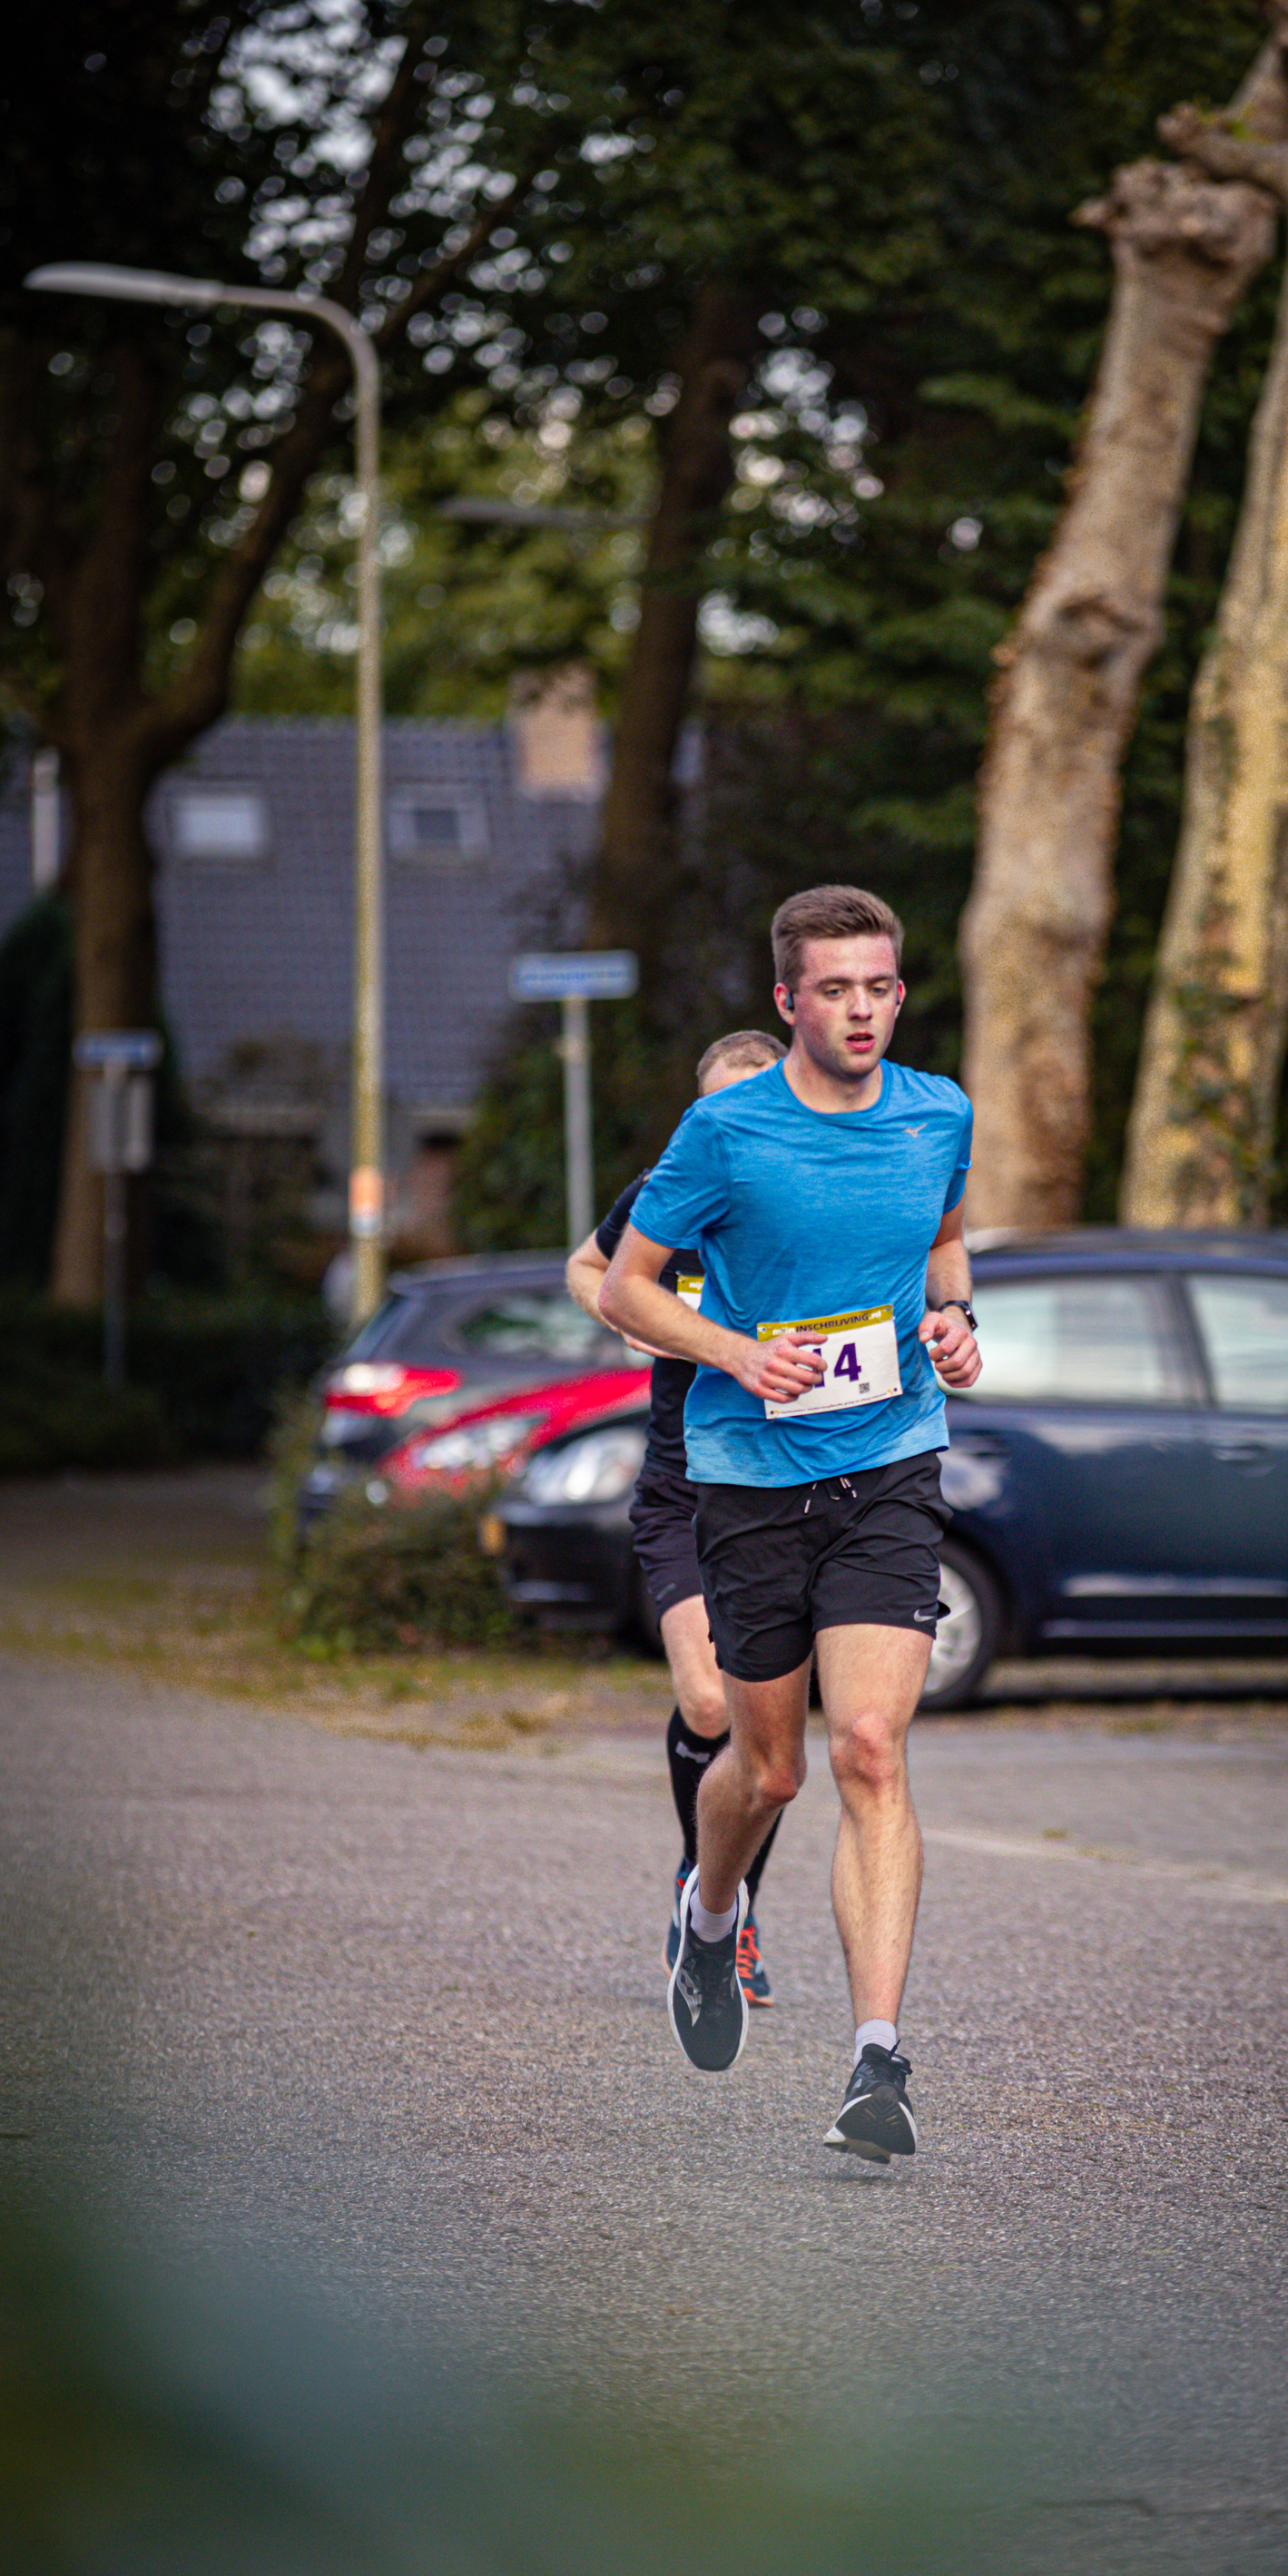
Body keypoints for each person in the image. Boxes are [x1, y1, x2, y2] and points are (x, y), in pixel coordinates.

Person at [598, 885, 980, 2163]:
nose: (861, 1010)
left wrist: (955, 1320)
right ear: (787, 1000)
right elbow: (625, 1293)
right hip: (749, 1476)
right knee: (767, 1769)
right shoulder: (724, 1132)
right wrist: (736, 1352)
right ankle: (708, 1921)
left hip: (890, 1457)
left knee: (871, 1746)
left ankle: (879, 2061)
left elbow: (944, 1236)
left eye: (879, 988)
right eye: (835, 990)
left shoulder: (939, 1113)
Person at [566, 1029, 788, 2010]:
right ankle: (703, 1894)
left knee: (761, 1731)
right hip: (681, 1484)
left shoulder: (814, 1198)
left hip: (787, 1484)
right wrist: (630, 1315)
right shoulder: (668, 1189)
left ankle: (724, 1910)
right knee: (707, 1702)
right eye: (712, 1110)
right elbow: (589, 1266)